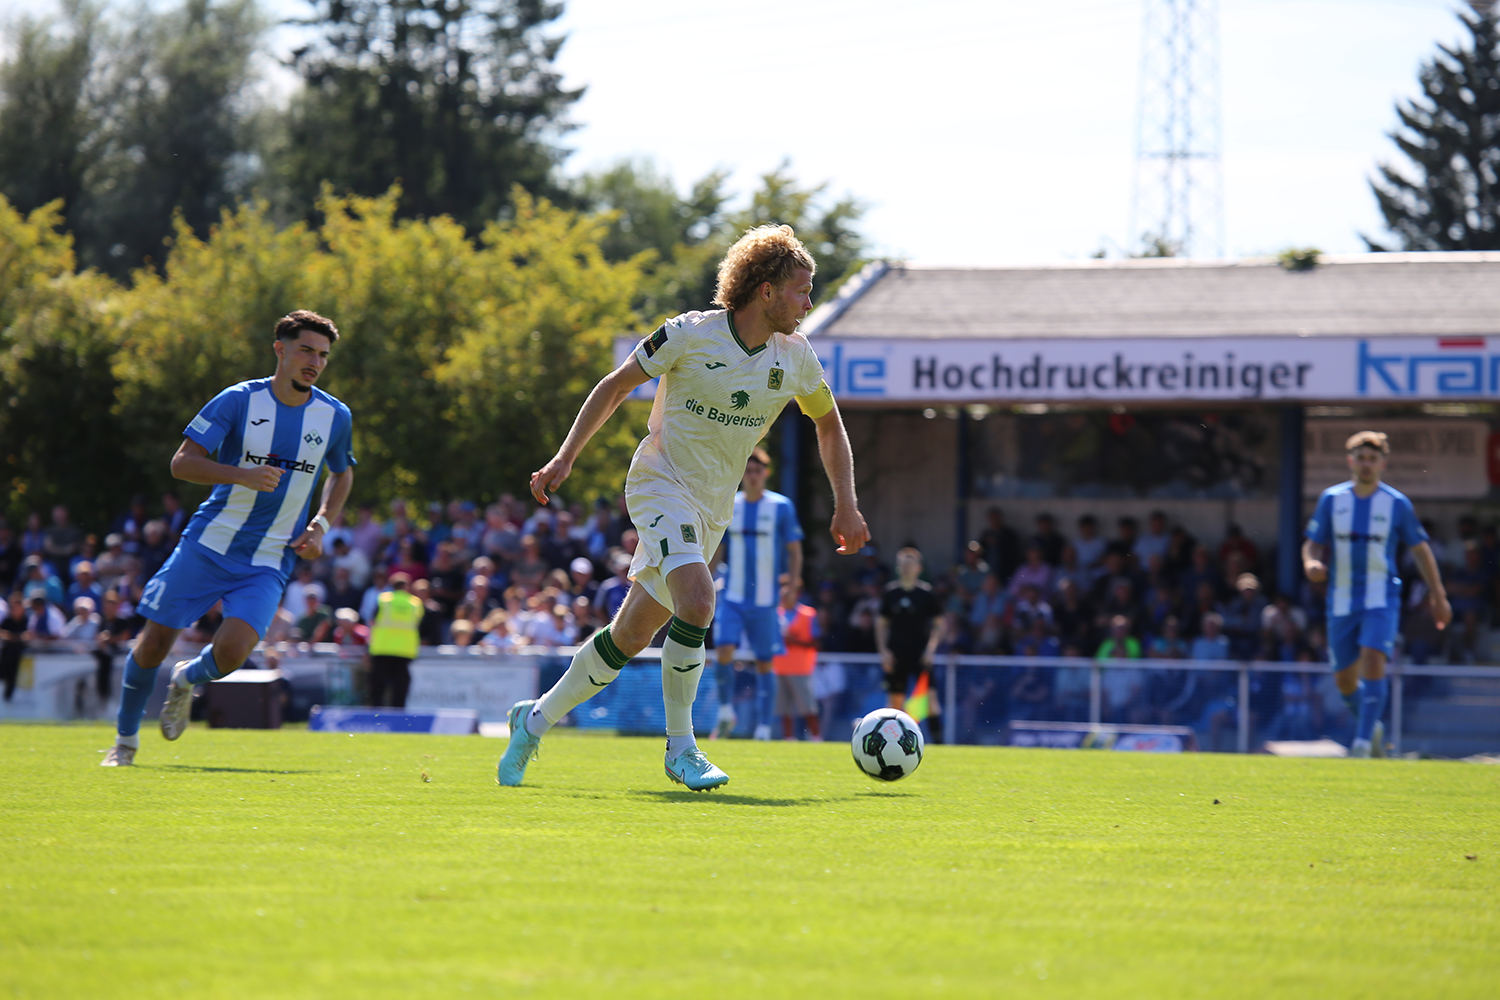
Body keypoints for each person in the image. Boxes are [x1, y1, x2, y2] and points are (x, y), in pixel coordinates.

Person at [498, 224, 869, 790]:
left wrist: (846, 503)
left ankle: (534, 719)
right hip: (659, 483)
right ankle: (682, 749)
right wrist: (565, 457)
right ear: (765, 290)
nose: (809, 302)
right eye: (801, 289)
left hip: (711, 510)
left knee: (630, 636)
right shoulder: (689, 334)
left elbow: (829, 424)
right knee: (698, 600)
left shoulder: (795, 358)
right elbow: (615, 385)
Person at [101, 310, 355, 766]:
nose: (314, 361)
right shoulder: (238, 401)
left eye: (322, 355)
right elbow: (183, 462)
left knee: (234, 652)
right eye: (305, 350)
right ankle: (124, 743)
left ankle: (186, 680)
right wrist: (241, 474)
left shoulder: (334, 415)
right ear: (280, 349)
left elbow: (342, 473)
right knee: (155, 642)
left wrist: (321, 524)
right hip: (208, 544)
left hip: (270, 557)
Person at [1303, 430, 1450, 758]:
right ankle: (1373, 728)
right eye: (1361, 458)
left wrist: (1438, 596)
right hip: (1340, 600)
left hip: (1381, 598)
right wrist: (1311, 561)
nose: (1366, 464)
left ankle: (1362, 741)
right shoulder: (1332, 499)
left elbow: (1422, 551)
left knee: (1373, 659)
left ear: (1383, 463)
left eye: (1373, 459)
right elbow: (1313, 541)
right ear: (1350, 462)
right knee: (1344, 681)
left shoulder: (1396, 503)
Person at [711, 447, 805, 740]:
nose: (752, 476)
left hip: (765, 600)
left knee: (765, 661)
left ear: (766, 474)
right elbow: (718, 548)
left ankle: (764, 727)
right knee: (724, 649)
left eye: (757, 471)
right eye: (747, 471)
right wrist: (705, 580)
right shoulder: (731, 504)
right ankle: (726, 710)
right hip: (733, 596)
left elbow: (794, 549)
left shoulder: (781, 507)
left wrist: (792, 585)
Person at [876, 547, 946, 712]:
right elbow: (880, 625)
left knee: (930, 704)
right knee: (894, 704)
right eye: (903, 564)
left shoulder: (926, 594)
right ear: (898, 568)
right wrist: (884, 651)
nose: (907, 568)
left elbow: (940, 624)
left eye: (911, 564)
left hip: (921, 655)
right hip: (896, 654)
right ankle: (895, 736)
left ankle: (937, 738)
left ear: (919, 568)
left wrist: (930, 650)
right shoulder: (890, 593)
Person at [367, 572, 423, 708]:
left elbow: (372, 621)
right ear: (407, 587)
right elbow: (418, 623)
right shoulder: (415, 603)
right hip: (405, 650)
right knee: (400, 686)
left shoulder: (383, 600)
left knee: (378, 685)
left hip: (382, 648)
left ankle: (376, 713)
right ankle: (398, 716)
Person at [772, 598, 821, 740]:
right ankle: (788, 738)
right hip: (779, 667)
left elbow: (816, 642)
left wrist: (792, 641)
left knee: (808, 707)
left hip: (801, 669)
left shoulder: (809, 613)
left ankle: (816, 737)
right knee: (783, 709)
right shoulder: (776, 613)